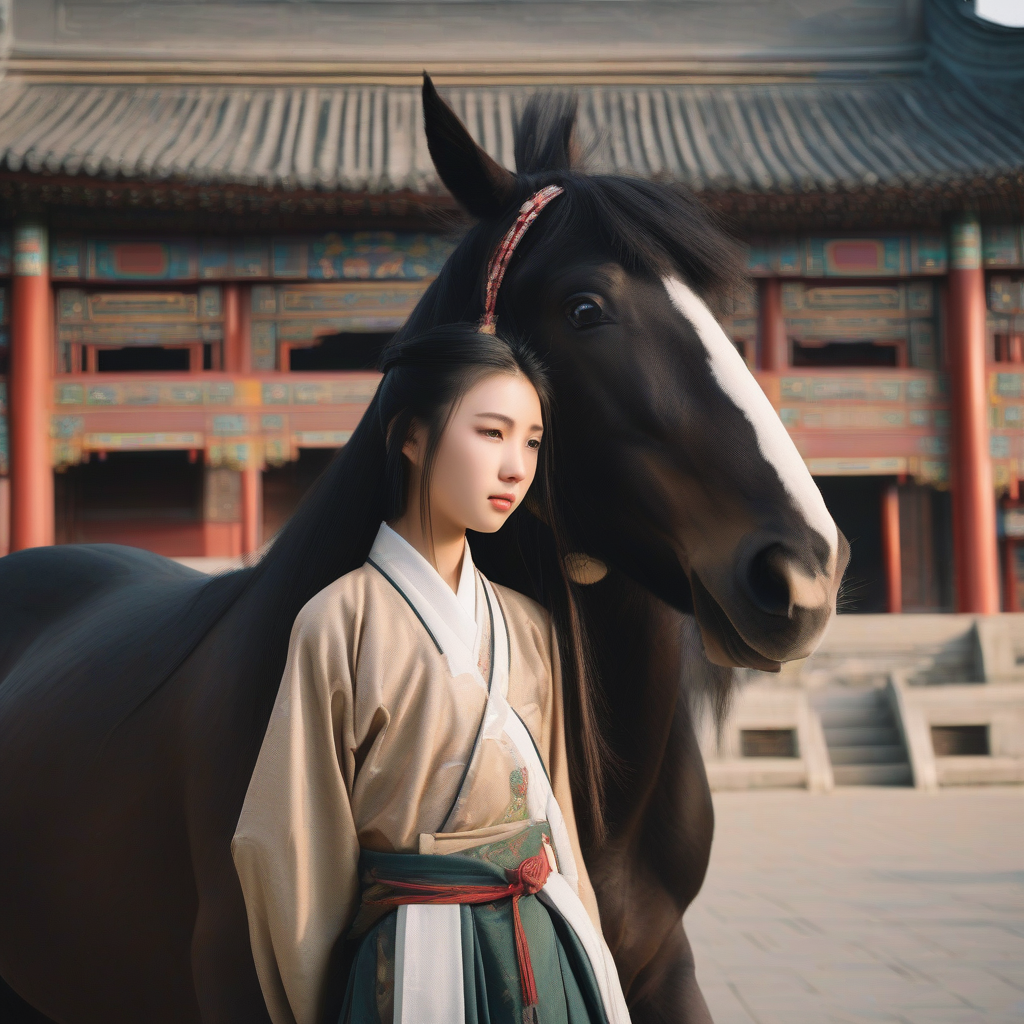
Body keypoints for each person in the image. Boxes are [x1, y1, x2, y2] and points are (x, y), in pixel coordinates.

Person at [232, 323, 631, 1024]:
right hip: (413, 959)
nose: (516, 466)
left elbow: (557, 816)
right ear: (411, 437)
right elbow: (292, 847)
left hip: (543, 936)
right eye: (491, 433)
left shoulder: (528, 627)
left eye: (531, 441)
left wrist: (585, 943)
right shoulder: (337, 622)